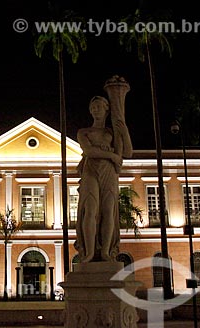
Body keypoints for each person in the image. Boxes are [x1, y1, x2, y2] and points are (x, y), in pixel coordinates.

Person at [75, 96, 124, 262]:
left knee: (108, 210)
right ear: (90, 110)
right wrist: (111, 154)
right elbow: (89, 152)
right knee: (90, 209)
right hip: (90, 169)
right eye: (93, 107)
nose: (96, 110)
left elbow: (128, 152)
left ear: (106, 109)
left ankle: (105, 251)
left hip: (109, 172)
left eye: (99, 106)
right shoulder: (84, 132)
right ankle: (89, 252)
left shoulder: (112, 133)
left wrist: (123, 130)